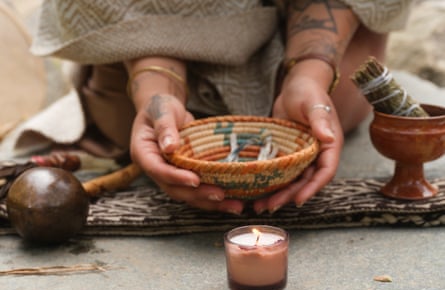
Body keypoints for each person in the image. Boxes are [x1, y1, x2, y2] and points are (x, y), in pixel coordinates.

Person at [30, 0, 413, 214]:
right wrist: (157, 89)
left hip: (305, 36)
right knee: (132, 119)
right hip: (145, 43)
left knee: (344, 94)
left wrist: (309, 72)